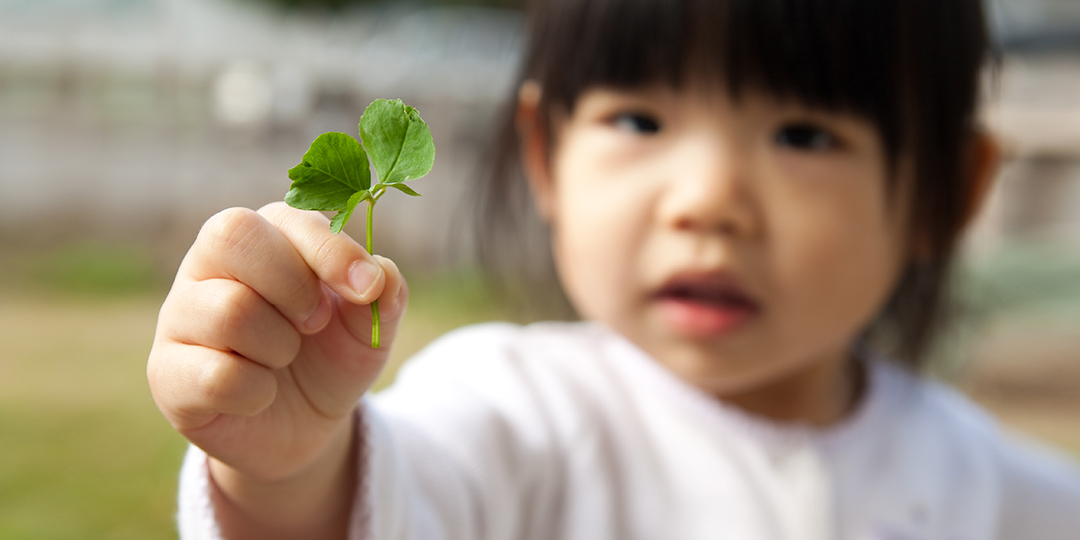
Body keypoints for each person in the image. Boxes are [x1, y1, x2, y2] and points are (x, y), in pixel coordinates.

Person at [147, 0, 1080, 538]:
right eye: (639, 120)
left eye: (804, 133)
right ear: (547, 155)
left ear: (944, 195)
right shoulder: (518, 415)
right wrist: (289, 470)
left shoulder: (1000, 490)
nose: (706, 201)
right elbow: (384, 505)